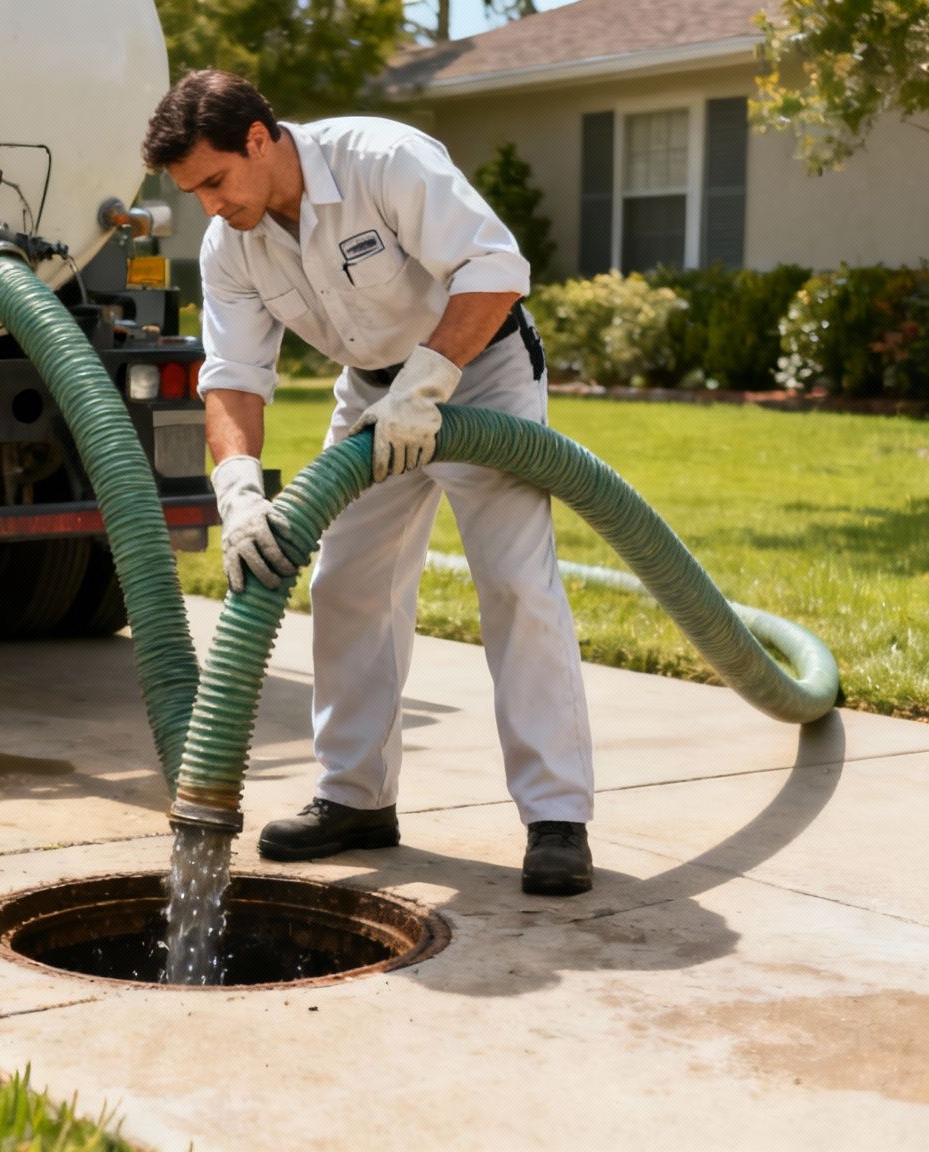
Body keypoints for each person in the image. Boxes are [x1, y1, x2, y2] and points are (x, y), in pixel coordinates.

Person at [142, 70, 595, 895]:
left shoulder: (381, 159)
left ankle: (556, 816)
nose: (208, 204)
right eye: (189, 191)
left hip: (480, 369)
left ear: (258, 137)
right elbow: (235, 374)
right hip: (370, 392)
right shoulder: (230, 242)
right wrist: (238, 487)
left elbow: (495, 267)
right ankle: (356, 798)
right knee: (348, 579)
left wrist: (427, 386)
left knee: (513, 581)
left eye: (213, 180)